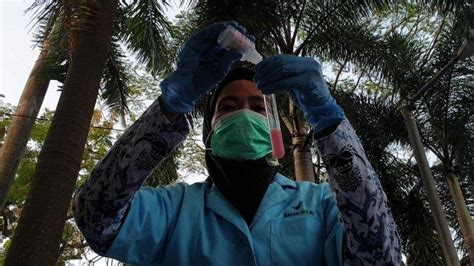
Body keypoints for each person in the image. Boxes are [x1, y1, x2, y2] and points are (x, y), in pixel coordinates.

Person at [73, 21, 401, 265]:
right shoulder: (173, 210)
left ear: (275, 130)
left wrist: (330, 123)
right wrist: (170, 106)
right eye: (228, 107)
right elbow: (95, 217)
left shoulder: (321, 205)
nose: (243, 115)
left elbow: (381, 256)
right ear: (210, 132)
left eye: (258, 107)